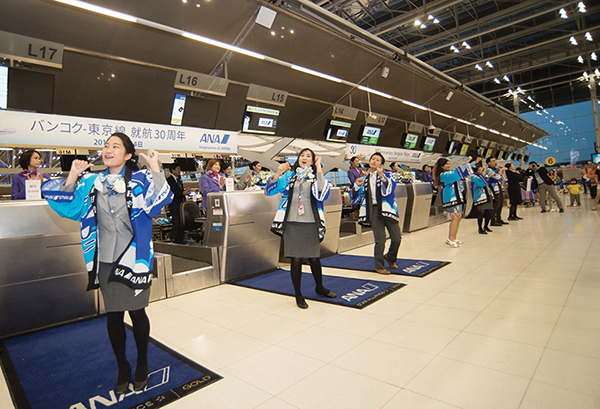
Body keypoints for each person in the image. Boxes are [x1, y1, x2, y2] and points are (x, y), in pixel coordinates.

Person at [42, 132, 173, 395]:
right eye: (105, 146)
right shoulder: (92, 181)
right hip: (105, 258)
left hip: (135, 258)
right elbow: (70, 208)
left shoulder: (141, 178)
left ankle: (142, 362)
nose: (108, 150)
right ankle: (123, 365)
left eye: (115, 146)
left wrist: (156, 168)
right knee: (113, 315)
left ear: (128, 154)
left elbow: (156, 205)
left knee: (137, 312)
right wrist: (73, 175)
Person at [265, 148, 336, 309]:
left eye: (308, 156)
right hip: (291, 222)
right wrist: (278, 173)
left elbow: (322, 192)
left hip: (311, 222)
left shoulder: (315, 176)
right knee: (295, 259)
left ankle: (320, 287)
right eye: (302, 155)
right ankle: (298, 294)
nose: (304, 158)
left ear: (313, 159)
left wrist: (318, 167)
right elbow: (269, 191)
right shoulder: (290, 176)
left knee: (314, 258)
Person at [351, 152, 402, 274]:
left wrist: (382, 176)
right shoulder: (364, 179)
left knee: (397, 238)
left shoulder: (388, 175)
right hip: (373, 210)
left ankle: (390, 257)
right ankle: (378, 266)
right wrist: (357, 186)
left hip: (388, 210)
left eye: (377, 160)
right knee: (380, 240)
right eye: (372, 159)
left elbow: (391, 187)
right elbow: (354, 197)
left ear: (382, 164)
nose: (374, 161)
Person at [432, 156, 477, 248]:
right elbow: (457, 172)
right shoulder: (443, 175)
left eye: (449, 164)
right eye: (446, 164)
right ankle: (450, 238)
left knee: (458, 216)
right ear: (441, 166)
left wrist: (472, 163)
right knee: (455, 217)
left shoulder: (448, 173)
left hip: (457, 196)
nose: (448, 165)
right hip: (451, 197)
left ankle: (454, 237)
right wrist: (467, 162)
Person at [166, 164, 190, 244]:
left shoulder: (179, 180)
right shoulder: (169, 180)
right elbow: (172, 192)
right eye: (178, 169)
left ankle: (180, 239)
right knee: (176, 222)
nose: (179, 170)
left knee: (181, 223)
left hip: (181, 205)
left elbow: (180, 191)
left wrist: (186, 191)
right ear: (173, 170)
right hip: (174, 205)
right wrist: (182, 193)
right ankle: (174, 239)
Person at [471, 163, 495, 234]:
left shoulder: (483, 176)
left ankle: (486, 226)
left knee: (489, 211)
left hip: (488, 194)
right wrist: (484, 175)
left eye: (482, 169)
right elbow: (482, 183)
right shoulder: (473, 177)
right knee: (481, 212)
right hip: (480, 196)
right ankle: (480, 228)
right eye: (480, 170)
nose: (481, 171)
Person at [485, 157, 507, 226]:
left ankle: (498, 218)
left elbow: (502, 178)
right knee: (496, 205)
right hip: (494, 189)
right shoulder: (488, 170)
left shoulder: (496, 169)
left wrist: (501, 171)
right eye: (493, 161)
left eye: (495, 161)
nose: (495, 162)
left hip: (500, 188)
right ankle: (493, 220)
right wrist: (498, 173)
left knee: (500, 204)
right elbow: (497, 178)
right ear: (489, 163)